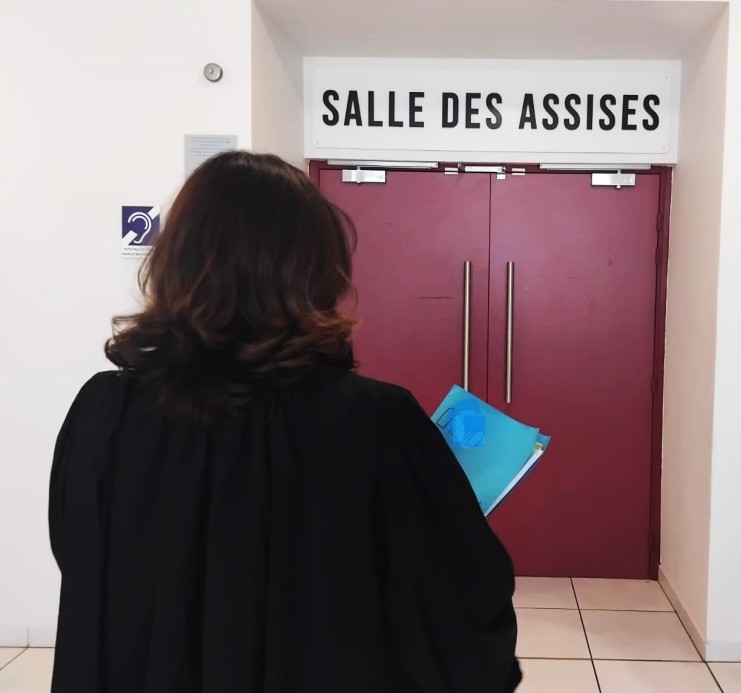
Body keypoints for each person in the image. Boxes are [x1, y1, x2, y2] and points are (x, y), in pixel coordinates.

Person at [48, 151, 521, 692]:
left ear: (175, 261)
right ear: (319, 270)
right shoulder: (378, 424)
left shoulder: (104, 416)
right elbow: (460, 600)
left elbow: (82, 560)